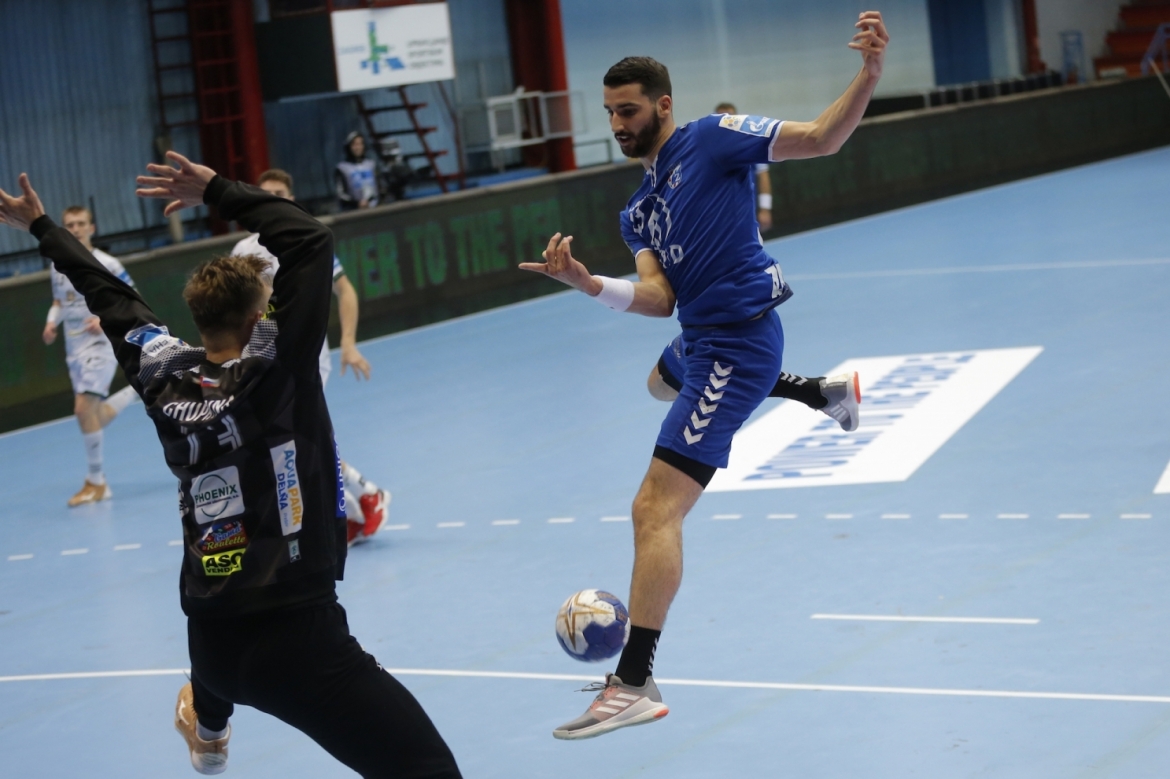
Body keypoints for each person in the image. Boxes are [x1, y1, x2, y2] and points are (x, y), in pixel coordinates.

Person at [0, 157, 462, 778]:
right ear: (253, 321)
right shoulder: (275, 371)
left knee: (220, 628)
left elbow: (108, 294)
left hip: (210, 639)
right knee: (430, 770)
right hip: (299, 639)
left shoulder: (161, 371)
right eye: (268, 307)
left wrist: (42, 228)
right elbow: (311, 239)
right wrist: (217, 190)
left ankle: (209, 725)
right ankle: (208, 722)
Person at [519, 11, 889, 740]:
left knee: (654, 509)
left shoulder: (714, 139)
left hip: (737, 345)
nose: (617, 124)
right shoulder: (637, 211)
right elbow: (658, 299)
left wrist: (869, 74)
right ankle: (819, 392)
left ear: (663, 105)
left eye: (629, 110)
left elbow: (822, 137)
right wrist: (588, 284)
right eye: (609, 113)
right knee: (658, 383)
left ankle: (633, 682)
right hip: (698, 336)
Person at [230, 168, 390, 546]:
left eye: (279, 194)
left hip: (305, 355)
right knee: (288, 438)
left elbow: (345, 292)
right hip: (262, 357)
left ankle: (359, 499)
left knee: (294, 435)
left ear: (291, 199)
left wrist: (348, 343)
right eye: (265, 193)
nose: (272, 200)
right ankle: (358, 501)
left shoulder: (304, 240)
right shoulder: (241, 251)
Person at [42, 205, 140, 506]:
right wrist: (51, 322)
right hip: (73, 348)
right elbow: (59, 302)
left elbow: (132, 297)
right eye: (70, 224)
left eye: (81, 223)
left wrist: (104, 318)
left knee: (83, 409)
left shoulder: (107, 263)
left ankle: (96, 482)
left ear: (91, 228)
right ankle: (134, 391)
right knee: (91, 416)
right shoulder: (57, 265)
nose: (76, 229)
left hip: (101, 344)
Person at [715, 101, 773, 232]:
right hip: (721, 215)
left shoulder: (751, 143)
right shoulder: (709, 148)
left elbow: (763, 175)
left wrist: (765, 208)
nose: (726, 122)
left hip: (747, 211)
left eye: (730, 118)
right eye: (722, 118)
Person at [335, 132, 381, 211]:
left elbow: (380, 187)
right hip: (354, 212)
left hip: (375, 210)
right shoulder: (342, 168)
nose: (357, 147)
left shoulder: (371, 165)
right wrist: (357, 203)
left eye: (360, 144)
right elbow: (340, 194)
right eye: (354, 145)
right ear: (348, 147)